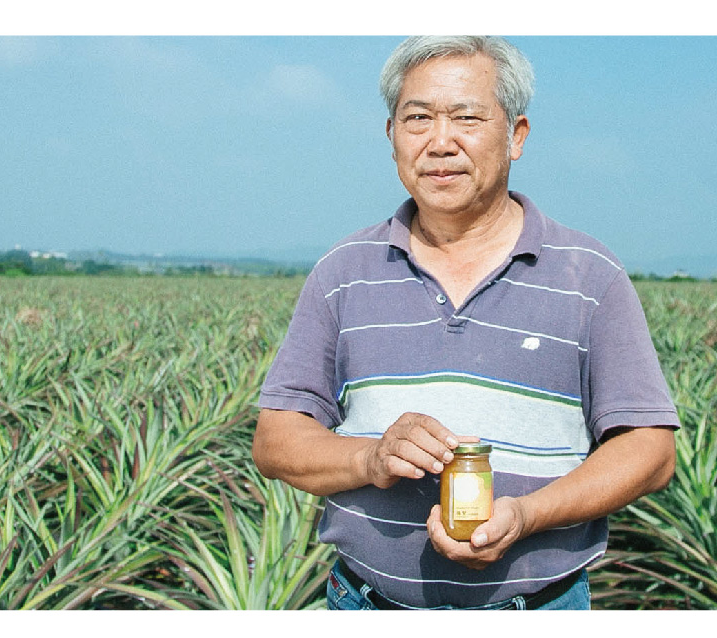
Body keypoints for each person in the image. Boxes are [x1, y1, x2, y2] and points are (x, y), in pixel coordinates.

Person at [253, 36, 679, 610]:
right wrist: (370, 457)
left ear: (516, 136)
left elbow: (649, 450)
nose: (440, 143)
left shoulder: (590, 276)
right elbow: (277, 441)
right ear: (391, 136)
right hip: (366, 602)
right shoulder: (343, 272)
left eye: (467, 118)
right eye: (418, 119)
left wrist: (528, 514)